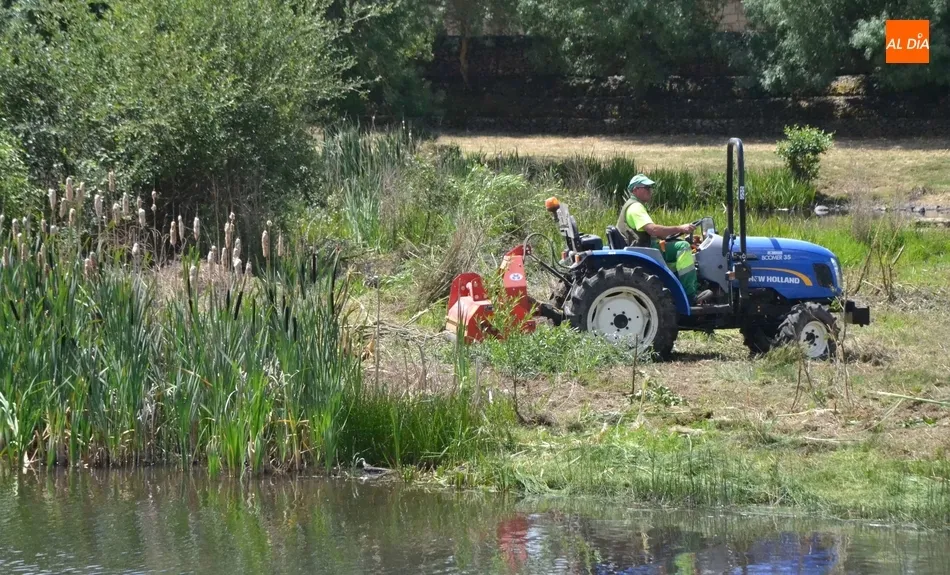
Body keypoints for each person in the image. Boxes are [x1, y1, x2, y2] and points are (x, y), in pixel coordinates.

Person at [617, 173, 702, 303]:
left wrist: (672, 233)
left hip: (642, 246)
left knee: (678, 244)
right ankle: (690, 294)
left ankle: (680, 283)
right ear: (635, 190)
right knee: (683, 247)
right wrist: (680, 228)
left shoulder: (633, 205)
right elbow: (653, 230)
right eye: (646, 187)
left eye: (650, 188)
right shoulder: (635, 207)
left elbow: (656, 232)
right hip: (643, 249)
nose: (650, 191)